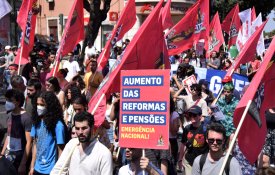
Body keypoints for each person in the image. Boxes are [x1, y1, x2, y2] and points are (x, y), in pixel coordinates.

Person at [29, 91, 66, 175]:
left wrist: (58, 172)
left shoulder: (58, 125)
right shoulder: (36, 121)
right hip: (37, 168)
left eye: (42, 105)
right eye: (37, 104)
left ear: (50, 106)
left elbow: (60, 150)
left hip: (51, 170)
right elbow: (35, 144)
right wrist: (32, 166)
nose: (39, 107)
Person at [1, 89, 32, 174]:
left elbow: (29, 142)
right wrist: (2, 154)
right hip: (8, 156)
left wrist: (23, 164)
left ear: (18, 102)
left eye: (10, 100)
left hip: (19, 158)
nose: (7, 102)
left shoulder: (26, 118)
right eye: (6, 99)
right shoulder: (9, 115)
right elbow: (8, 135)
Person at [178, 106, 208, 175]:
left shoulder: (205, 129)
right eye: (190, 115)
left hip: (202, 162)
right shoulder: (187, 128)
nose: (192, 117)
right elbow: (183, 144)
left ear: (200, 116)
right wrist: (180, 160)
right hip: (189, 161)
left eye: (194, 115)